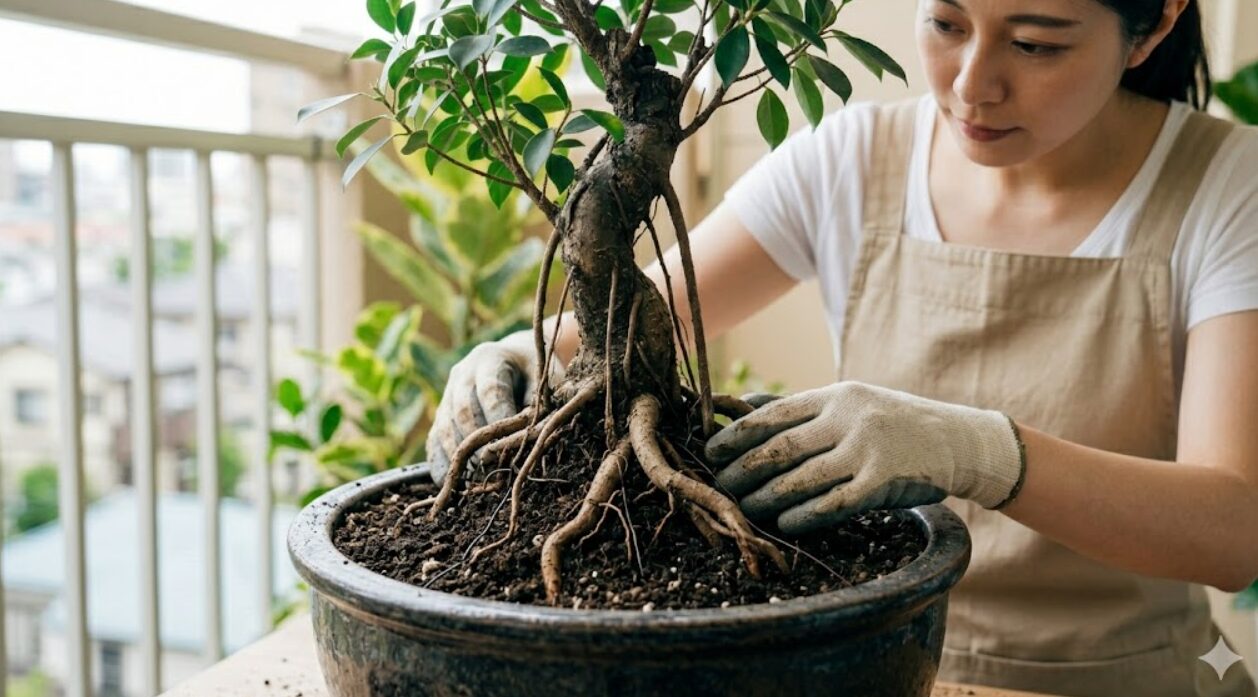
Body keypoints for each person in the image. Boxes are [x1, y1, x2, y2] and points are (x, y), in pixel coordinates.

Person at [426, 0, 1258, 694]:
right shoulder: (855, 159)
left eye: (1036, 44)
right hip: (871, 669)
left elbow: (1233, 529)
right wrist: (517, 356)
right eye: (946, 24)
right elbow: (628, 319)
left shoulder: (1229, 187)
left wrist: (982, 451)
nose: (973, 84)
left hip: (1122, 676)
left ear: (1153, 25)